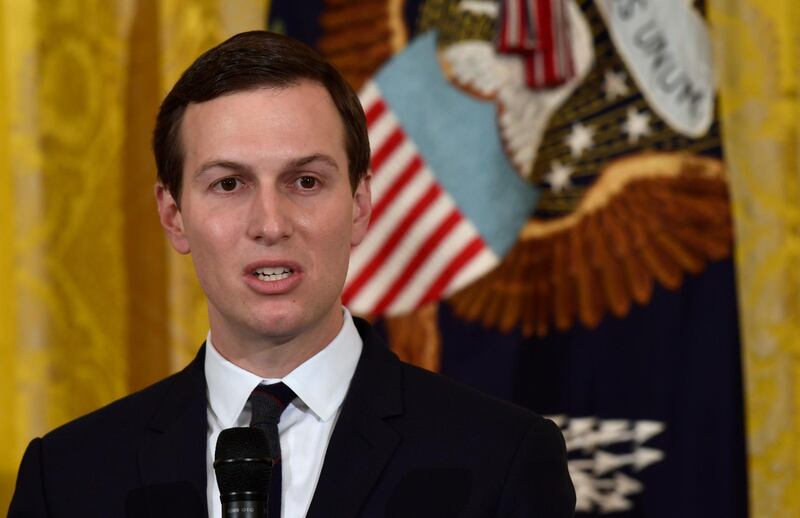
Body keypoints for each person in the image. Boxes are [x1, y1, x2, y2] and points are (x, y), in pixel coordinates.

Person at [8, 31, 575, 517]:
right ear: (173, 215)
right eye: (229, 184)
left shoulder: (502, 460)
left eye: (305, 181)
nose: (271, 224)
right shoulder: (66, 479)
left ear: (359, 204)